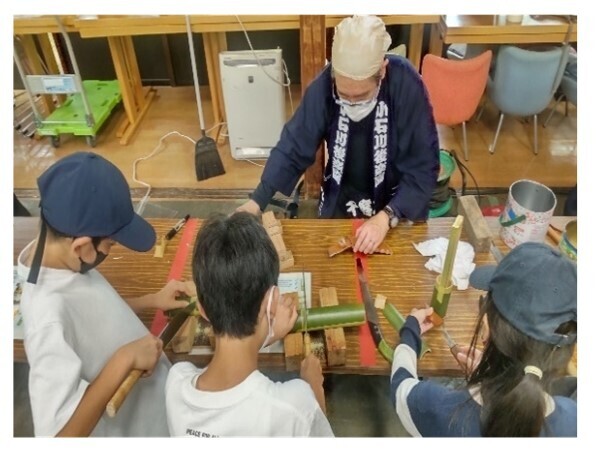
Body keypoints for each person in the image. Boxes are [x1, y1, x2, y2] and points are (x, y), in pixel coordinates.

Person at [17, 152, 196, 437]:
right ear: (82, 247)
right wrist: (123, 360)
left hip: (157, 402)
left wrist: (152, 300)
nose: (111, 251)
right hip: (139, 429)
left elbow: (91, 317)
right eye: (111, 244)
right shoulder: (46, 317)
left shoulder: (65, 264)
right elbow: (59, 437)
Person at [238, 15, 439, 255]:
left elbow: (424, 164)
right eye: (344, 95)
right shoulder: (324, 87)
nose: (352, 102)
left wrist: (386, 216)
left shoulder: (406, 84)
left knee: (395, 271)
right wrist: (256, 201)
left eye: (361, 95)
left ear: (382, 72)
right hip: (343, 189)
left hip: (397, 196)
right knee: (335, 264)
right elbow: (293, 145)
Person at [165, 212, 334, 437]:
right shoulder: (295, 406)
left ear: (203, 309)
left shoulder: (176, 382)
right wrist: (314, 388)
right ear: (272, 301)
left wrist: (270, 335)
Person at [390, 242, 577, 437]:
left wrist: (409, 333)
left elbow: (400, 389)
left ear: (487, 331)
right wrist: (494, 377)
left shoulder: (440, 409)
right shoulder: (573, 419)